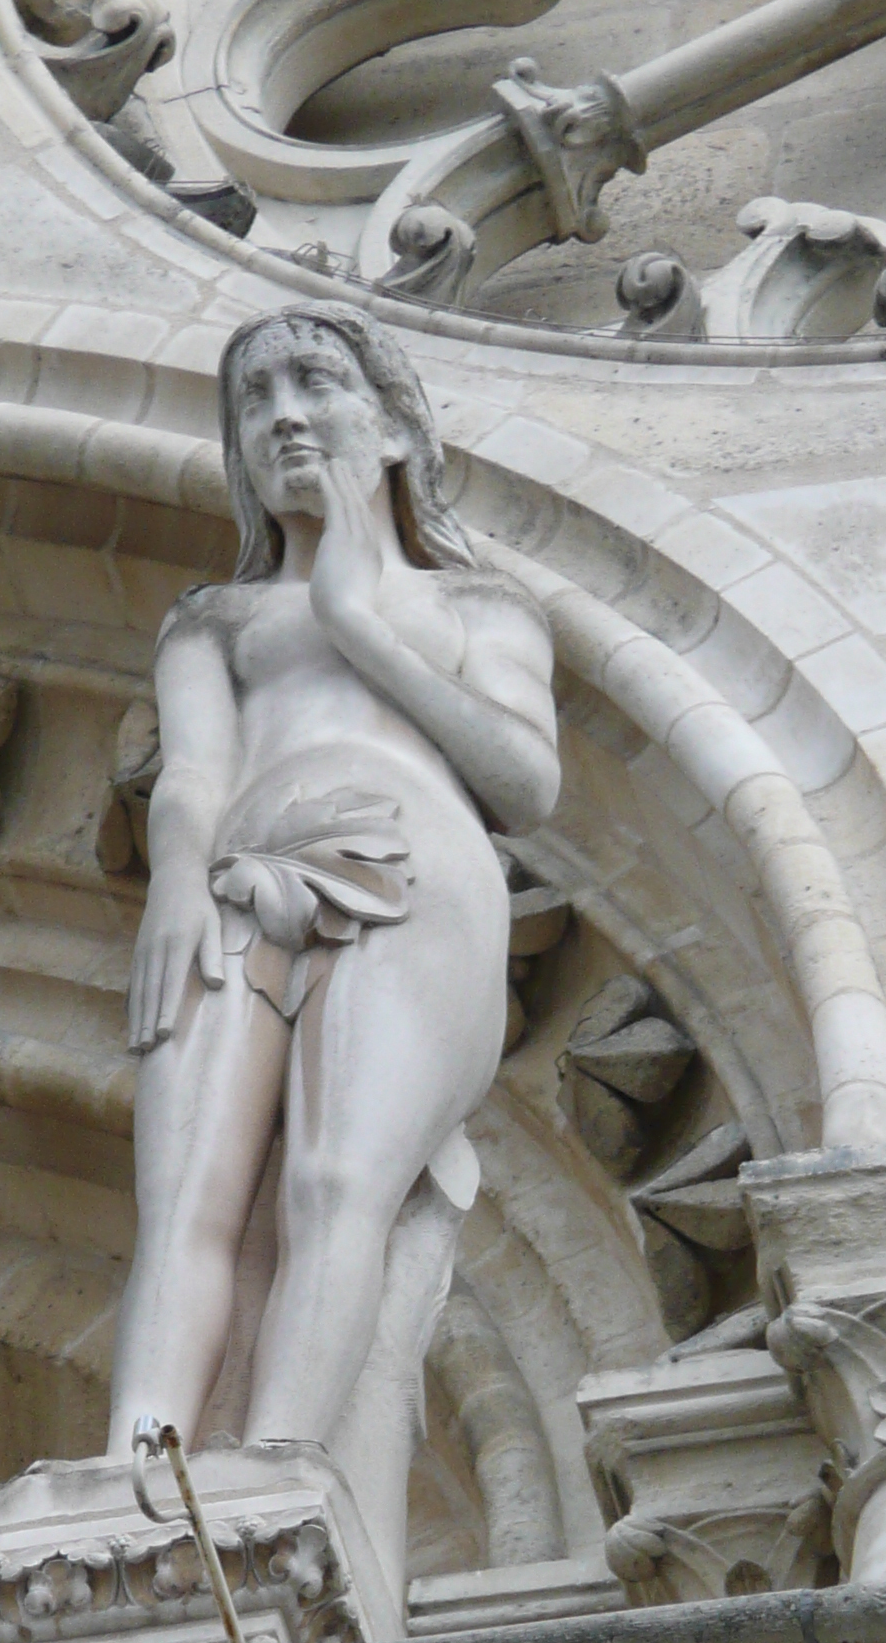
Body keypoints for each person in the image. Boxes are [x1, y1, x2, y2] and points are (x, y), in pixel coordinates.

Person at [106, 303, 560, 1459]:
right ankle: (138, 1467)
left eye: (315, 383)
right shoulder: (214, 618)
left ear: (396, 428)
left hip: (413, 869)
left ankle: (279, 1467)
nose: (285, 415)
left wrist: (359, 617)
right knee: (190, 1193)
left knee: (332, 1178)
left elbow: (525, 778)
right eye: (254, 401)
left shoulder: (481, 607)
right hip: (239, 877)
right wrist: (172, 881)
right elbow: (193, 774)